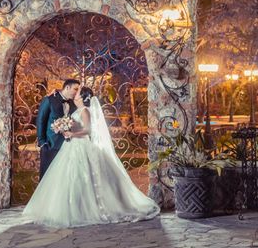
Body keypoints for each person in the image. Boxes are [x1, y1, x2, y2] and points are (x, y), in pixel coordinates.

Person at [23, 87, 160, 227]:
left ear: (82, 98)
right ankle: (73, 208)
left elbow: (88, 131)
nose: (73, 96)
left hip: (81, 145)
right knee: (70, 177)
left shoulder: (85, 111)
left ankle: (83, 209)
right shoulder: (76, 109)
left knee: (82, 176)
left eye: (76, 94)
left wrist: (71, 134)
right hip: (72, 146)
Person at [36, 78, 80, 179]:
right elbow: (41, 120)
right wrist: (43, 143)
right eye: (75, 89)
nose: (77, 92)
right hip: (50, 145)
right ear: (67, 87)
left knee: (62, 178)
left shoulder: (74, 103)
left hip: (68, 146)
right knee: (47, 177)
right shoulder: (49, 99)